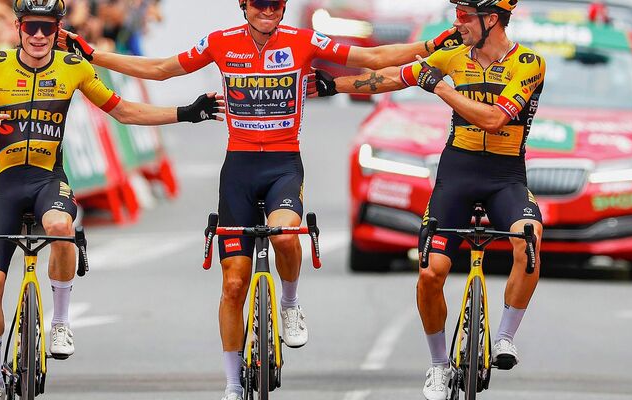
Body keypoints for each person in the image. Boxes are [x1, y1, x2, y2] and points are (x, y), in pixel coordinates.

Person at [57, 1, 463, 399]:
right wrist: (94, 55)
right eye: (259, 5)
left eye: (275, 5)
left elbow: (372, 57)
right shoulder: (220, 42)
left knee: (286, 236)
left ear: (284, 7)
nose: (267, 12)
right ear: (243, 5)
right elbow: (160, 69)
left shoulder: (303, 40)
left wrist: (428, 48)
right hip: (239, 170)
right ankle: (233, 384)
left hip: (284, 168)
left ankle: (289, 303)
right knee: (234, 284)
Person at [0, 1, 223, 399]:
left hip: (49, 180)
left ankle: (61, 321)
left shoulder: (74, 67)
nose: (38, 36)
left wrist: (186, 112)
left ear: (58, 29)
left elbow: (125, 112)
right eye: (31, 27)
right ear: (18, 27)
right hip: (5, 188)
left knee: (61, 227)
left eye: (46, 29)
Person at [312, 0, 543, 399]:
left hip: (506, 176)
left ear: (492, 20)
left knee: (530, 238)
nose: (458, 22)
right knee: (429, 273)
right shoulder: (451, 56)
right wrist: (335, 84)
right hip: (457, 173)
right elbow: (391, 78)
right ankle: (438, 365)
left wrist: (439, 87)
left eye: (466, 15)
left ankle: (505, 337)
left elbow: (493, 119)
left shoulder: (529, 63)